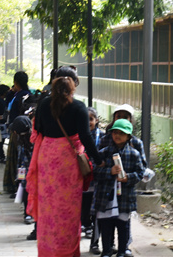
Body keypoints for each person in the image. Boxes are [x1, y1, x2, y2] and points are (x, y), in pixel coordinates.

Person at [26, 70, 103, 257]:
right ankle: (66, 250)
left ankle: (47, 249)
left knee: (48, 206)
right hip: (68, 160)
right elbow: (85, 136)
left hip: (47, 157)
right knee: (67, 207)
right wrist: (98, 159)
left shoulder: (43, 104)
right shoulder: (79, 107)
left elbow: (38, 128)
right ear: (73, 87)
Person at [93, 119, 145, 258]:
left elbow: (140, 173)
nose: (118, 135)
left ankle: (122, 251)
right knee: (106, 225)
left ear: (128, 136)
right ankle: (106, 250)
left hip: (125, 198)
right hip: (106, 197)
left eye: (122, 133)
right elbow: (95, 172)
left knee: (123, 225)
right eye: (115, 132)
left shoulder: (134, 154)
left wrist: (128, 178)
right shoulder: (103, 153)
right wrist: (109, 172)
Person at [4, 71, 31, 195]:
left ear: (15, 82)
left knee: (18, 160)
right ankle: (17, 186)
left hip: (18, 132)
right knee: (18, 159)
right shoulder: (21, 94)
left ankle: (18, 187)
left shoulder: (22, 95)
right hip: (17, 130)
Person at [82, 107, 104, 252]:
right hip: (83, 178)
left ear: (96, 120)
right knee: (84, 207)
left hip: (97, 179)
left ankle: (94, 243)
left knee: (95, 210)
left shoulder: (102, 137)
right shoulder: (78, 136)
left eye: (91, 119)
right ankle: (86, 224)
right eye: (85, 119)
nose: (88, 122)